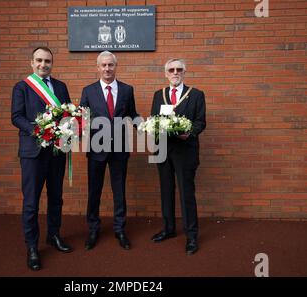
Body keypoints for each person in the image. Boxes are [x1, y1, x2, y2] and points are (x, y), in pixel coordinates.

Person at [11, 46, 73, 271]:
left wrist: (70, 127)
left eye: (47, 61)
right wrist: (37, 130)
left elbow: (67, 115)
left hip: (56, 152)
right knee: (31, 202)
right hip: (33, 153)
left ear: (52, 63)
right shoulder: (22, 87)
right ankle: (32, 246)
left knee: (56, 197)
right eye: (39, 60)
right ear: (32, 62)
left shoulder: (61, 87)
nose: (43, 64)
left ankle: (53, 235)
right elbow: (16, 117)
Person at [80, 51, 139, 250]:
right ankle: (93, 229)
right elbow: (82, 120)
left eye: (110, 65)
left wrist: (150, 127)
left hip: (120, 150)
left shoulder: (127, 90)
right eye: (103, 65)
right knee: (94, 191)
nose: (107, 69)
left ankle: (119, 228)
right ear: (98, 67)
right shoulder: (88, 91)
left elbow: (133, 114)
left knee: (119, 190)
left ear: (116, 66)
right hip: (96, 149)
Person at [150, 58, 206, 255]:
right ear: (166, 74)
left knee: (186, 193)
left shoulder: (197, 95)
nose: (175, 72)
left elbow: (201, 122)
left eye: (179, 69)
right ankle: (168, 229)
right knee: (166, 190)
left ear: (184, 72)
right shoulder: (159, 95)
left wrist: (189, 132)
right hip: (163, 150)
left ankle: (191, 236)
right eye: (171, 70)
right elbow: (154, 120)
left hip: (185, 151)